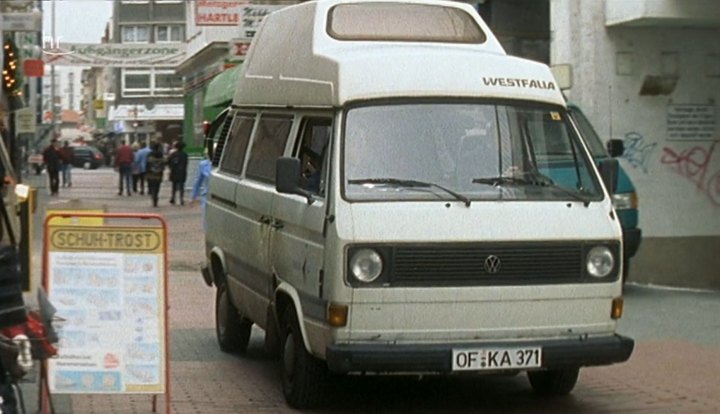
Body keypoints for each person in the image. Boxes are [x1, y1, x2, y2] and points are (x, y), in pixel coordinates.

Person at [191, 152, 212, 229]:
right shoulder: (203, 164)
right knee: (207, 223)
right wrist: (194, 196)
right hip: (207, 197)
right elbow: (198, 182)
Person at [167, 141, 189, 205]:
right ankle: (181, 199)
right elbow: (186, 164)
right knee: (181, 186)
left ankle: (173, 198)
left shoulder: (173, 154)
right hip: (182, 172)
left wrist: (171, 168)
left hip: (174, 171)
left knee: (174, 186)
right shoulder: (185, 155)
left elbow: (169, 162)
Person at [146, 143, 166, 208]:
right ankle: (156, 198)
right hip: (159, 174)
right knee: (157, 187)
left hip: (151, 174)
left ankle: (153, 197)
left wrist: (146, 172)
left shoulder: (150, 154)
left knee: (152, 186)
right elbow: (163, 164)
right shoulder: (161, 154)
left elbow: (147, 164)